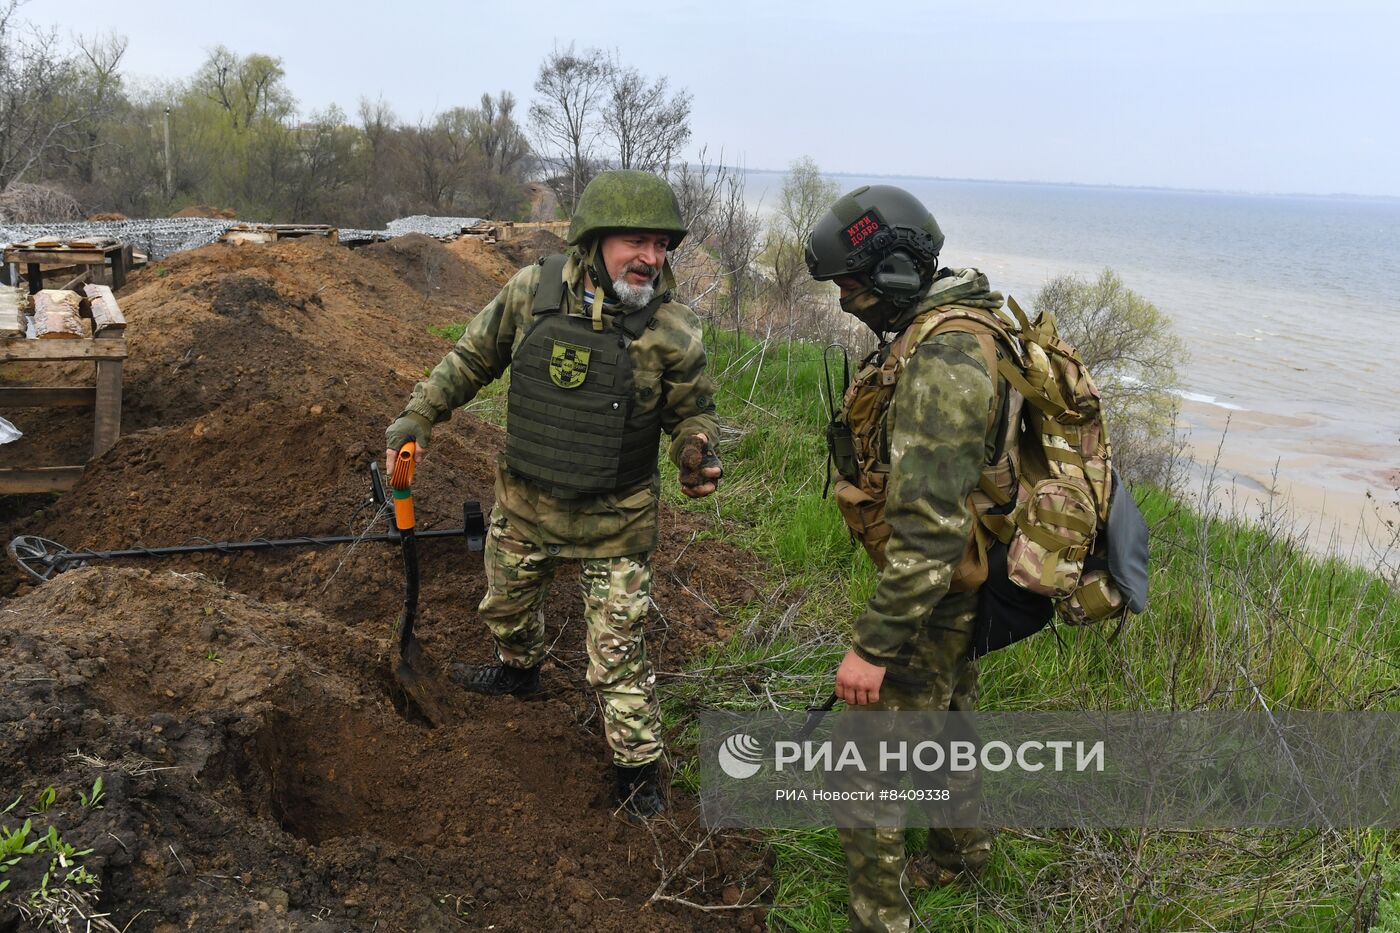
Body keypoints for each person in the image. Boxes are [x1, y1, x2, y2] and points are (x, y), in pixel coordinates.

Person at [384, 170, 721, 820]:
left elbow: (694, 415)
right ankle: (519, 670)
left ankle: (637, 773)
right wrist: (418, 417)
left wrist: (694, 451)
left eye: (661, 244)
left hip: (615, 521)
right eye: (635, 241)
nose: (651, 257)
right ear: (593, 241)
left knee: (617, 659)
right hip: (526, 504)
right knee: (505, 605)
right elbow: (471, 358)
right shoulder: (531, 292)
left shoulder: (674, 331)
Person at [805, 185, 1014, 932]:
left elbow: (928, 531)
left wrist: (872, 647)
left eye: (850, 286)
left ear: (894, 270)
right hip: (951, 584)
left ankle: (878, 918)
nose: (844, 303)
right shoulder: (939, 329)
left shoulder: (947, 356)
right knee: (952, 721)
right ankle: (965, 856)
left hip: (931, 591)